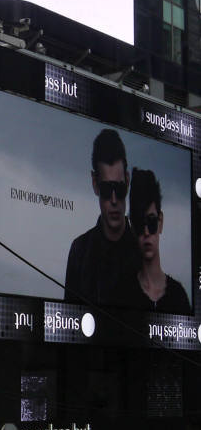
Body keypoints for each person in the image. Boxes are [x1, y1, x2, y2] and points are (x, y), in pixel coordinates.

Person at [64, 129, 139, 307]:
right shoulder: (79, 251)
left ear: (127, 182)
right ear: (95, 184)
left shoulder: (142, 252)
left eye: (119, 190)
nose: (114, 200)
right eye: (106, 190)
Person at [115, 169, 192, 314]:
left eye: (151, 222)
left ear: (160, 221)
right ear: (132, 226)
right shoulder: (122, 294)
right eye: (139, 223)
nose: (146, 233)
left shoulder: (178, 296)